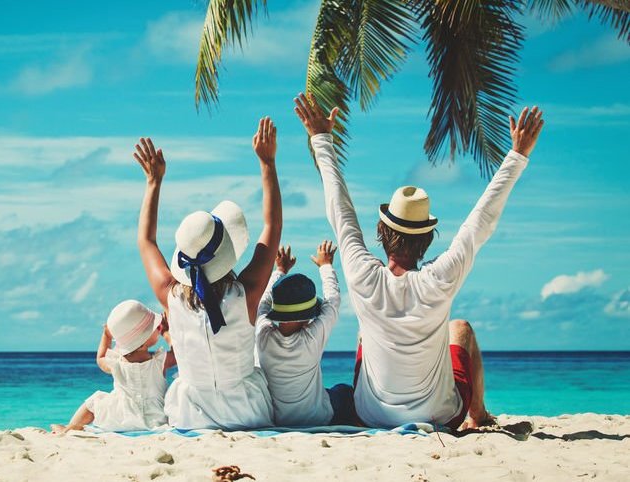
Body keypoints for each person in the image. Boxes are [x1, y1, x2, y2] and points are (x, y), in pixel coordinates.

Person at [293, 92, 544, 430]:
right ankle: (478, 415)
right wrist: (517, 155)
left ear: (381, 231)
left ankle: (464, 413)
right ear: (427, 238)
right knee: (461, 329)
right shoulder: (440, 278)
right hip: (439, 416)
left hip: (370, 415)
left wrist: (321, 139)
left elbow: (340, 210)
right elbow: (480, 222)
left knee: (365, 334)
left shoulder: (362, 273)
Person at [133, 117, 282, 429]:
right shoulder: (247, 294)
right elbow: (272, 227)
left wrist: (153, 182)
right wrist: (267, 163)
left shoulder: (169, 296)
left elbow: (145, 241)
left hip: (190, 414)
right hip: (247, 412)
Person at [256, 242, 357, 427]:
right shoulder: (311, 339)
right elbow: (332, 302)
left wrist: (280, 270)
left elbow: (263, 301)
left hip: (278, 419)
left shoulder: (262, 335)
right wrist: (326, 265)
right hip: (318, 417)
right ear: (308, 317)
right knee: (344, 391)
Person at [50, 300, 175, 434]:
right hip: (155, 417)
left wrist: (106, 336)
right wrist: (167, 333)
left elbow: (100, 359)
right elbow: (178, 354)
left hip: (121, 416)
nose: (159, 329)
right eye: (157, 328)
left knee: (94, 401)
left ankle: (70, 427)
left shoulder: (116, 363)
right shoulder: (159, 361)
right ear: (144, 339)